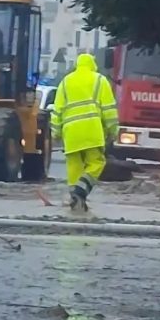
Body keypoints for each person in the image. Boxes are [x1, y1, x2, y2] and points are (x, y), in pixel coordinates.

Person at [50, 52, 118, 214]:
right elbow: (109, 109)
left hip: (71, 134)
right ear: (93, 65)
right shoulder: (100, 80)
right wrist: (113, 130)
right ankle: (81, 192)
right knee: (97, 163)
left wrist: (55, 133)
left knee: (74, 167)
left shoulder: (65, 82)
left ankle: (76, 201)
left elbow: (57, 111)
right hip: (92, 132)